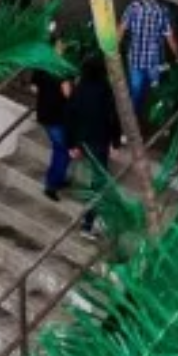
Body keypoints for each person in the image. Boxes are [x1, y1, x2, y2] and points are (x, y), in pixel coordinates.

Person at [67, 50, 120, 236]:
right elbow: (112, 117)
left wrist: (72, 144)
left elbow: (71, 116)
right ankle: (88, 224)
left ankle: (90, 220)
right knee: (98, 182)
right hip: (99, 140)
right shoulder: (105, 89)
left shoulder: (80, 88)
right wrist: (115, 141)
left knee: (95, 180)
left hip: (83, 139)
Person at [120, 0, 178, 123]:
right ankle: (156, 123)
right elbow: (170, 38)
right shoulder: (163, 11)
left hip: (135, 59)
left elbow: (121, 30)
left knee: (135, 93)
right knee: (155, 94)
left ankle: (132, 125)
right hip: (155, 63)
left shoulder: (133, 7)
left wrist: (112, 51)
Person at [33, 24, 73, 200]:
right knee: (62, 150)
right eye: (62, 44)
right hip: (58, 116)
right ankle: (52, 184)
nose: (64, 47)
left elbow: (34, 87)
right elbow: (68, 94)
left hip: (44, 113)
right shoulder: (62, 69)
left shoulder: (42, 64)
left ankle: (58, 179)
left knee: (59, 148)